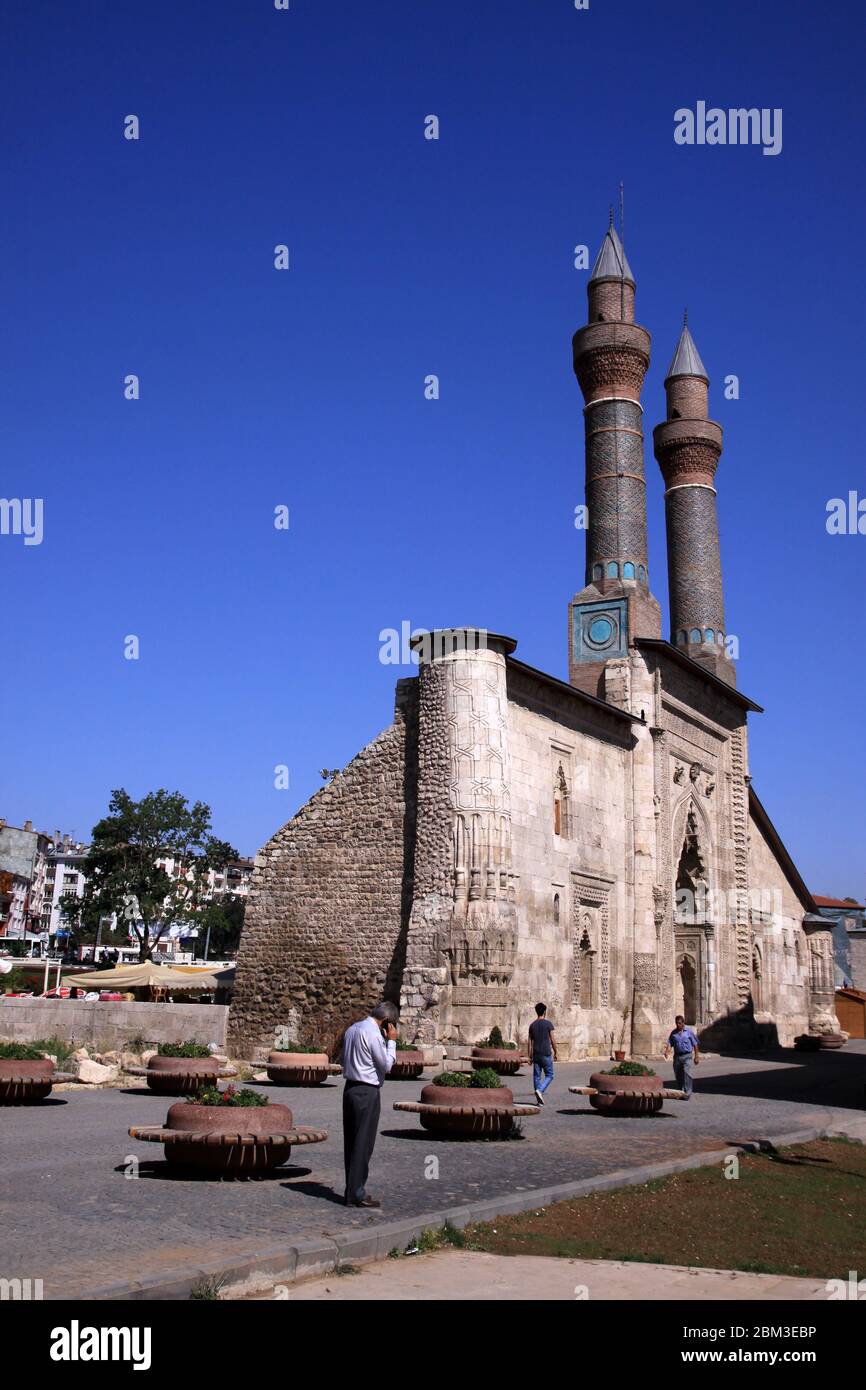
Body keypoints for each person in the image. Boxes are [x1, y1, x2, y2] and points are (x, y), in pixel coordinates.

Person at [340, 1001, 398, 1207]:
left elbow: (343, 1059)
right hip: (367, 1091)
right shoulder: (373, 1033)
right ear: (386, 1022)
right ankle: (356, 1193)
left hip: (350, 1088)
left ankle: (351, 1190)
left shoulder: (352, 1029)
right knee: (363, 1143)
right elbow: (386, 1065)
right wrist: (391, 1042)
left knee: (352, 1142)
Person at [664, 1015, 700, 1097]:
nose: (678, 1025)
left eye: (679, 1023)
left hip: (687, 1056)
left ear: (683, 1023)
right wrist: (667, 1051)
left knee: (687, 1073)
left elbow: (695, 1044)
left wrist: (696, 1056)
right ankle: (680, 1091)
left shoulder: (689, 1032)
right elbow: (670, 1043)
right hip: (677, 1057)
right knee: (678, 1074)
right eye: (676, 1023)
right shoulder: (674, 1033)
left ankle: (687, 1092)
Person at [528, 1002, 557, 1105]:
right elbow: (553, 1039)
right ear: (544, 1012)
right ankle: (540, 1090)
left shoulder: (532, 1025)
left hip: (536, 1054)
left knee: (537, 1076)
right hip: (546, 1053)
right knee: (550, 1075)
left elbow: (530, 1042)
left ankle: (539, 1101)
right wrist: (556, 1051)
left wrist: (530, 1056)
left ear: (536, 1012)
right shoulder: (548, 1024)